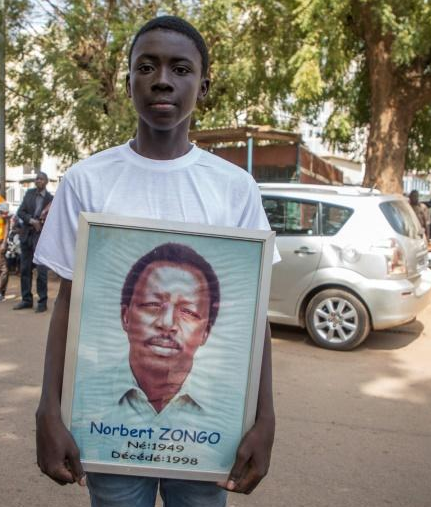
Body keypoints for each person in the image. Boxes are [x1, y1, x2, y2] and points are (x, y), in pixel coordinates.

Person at [33, 16, 278, 505]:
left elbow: (255, 318)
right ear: (128, 82)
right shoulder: (87, 181)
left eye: (180, 68)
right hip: (109, 431)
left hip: (210, 438)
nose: (162, 79)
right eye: (146, 67)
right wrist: (48, 409)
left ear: (202, 85)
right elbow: (68, 306)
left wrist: (265, 417)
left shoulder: (234, 188)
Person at [118, 243, 219, 416]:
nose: (167, 323)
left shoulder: (230, 409)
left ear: (205, 332)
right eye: (152, 304)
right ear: (125, 317)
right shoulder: (83, 397)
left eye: (188, 311)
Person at [14, 172, 54, 312]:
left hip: (41, 238)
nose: (38, 181)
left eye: (41, 179)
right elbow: (20, 212)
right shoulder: (29, 194)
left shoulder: (51, 199)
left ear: (46, 181)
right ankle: (26, 300)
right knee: (25, 269)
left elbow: (53, 219)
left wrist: (41, 224)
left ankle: (42, 302)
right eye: (37, 179)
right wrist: (32, 221)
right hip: (27, 235)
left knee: (41, 271)